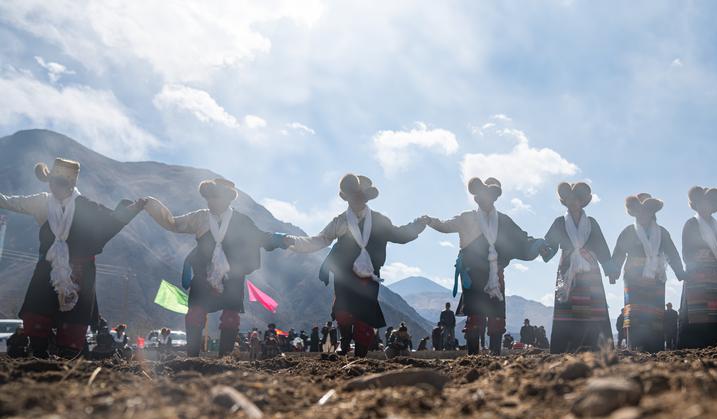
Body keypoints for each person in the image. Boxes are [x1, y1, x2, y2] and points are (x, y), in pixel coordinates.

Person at [0, 158, 144, 358]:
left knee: (73, 327)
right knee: (38, 316)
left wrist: (130, 211)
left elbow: (109, 223)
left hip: (80, 272)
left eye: (61, 183)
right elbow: (9, 201)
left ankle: (67, 361)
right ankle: (38, 355)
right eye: (53, 182)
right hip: (47, 270)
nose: (55, 187)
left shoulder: (85, 206)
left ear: (70, 185)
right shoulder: (41, 201)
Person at [143, 178, 292, 357]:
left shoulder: (241, 221)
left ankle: (225, 358)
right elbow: (173, 223)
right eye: (208, 198)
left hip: (233, 275)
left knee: (230, 317)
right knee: (195, 314)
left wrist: (278, 238)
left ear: (228, 199)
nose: (211, 202)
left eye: (215, 198)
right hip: (203, 274)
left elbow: (259, 237)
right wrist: (153, 206)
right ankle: (193, 357)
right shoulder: (200, 217)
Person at [288, 174, 426, 358]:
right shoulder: (340, 221)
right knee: (343, 313)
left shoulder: (379, 221)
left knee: (364, 319)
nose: (356, 201)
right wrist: (291, 242)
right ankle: (345, 341)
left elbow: (400, 235)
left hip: (368, 276)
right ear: (347, 198)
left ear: (366, 198)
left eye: (359, 196)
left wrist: (418, 224)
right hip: (344, 276)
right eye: (352, 197)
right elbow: (320, 240)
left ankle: (359, 358)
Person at [425, 177, 546, 355]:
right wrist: (430, 221)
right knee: (475, 314)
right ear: (477, 199)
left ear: (494, 199)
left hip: (495, 274)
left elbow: (522, 237)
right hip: (473, 274)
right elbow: (445, 225)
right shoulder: (467, 218)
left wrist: (538, 245)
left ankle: (495, 354)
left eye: (489, 197)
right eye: (482, 196)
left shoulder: (504, 221)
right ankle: (473, 356)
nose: (486, 200)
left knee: (496, 314)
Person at [541, 182, 614, 353]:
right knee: (566, 306)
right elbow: (550, 244)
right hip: (567, 269)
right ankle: (565, 348)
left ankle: (596, 347)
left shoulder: (592, 223)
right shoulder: (559, 222)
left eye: (577, 199)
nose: (573, 202)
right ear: (565, 201)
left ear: (582, 201)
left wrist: (610, 270)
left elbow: (602, 247)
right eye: (570, 199)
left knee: (592, 307)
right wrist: (544, 250)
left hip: (590, 268)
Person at [608, 193, 685, 353]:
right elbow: (619, 252)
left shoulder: (662, 233)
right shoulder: (628, 232)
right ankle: (635, 345)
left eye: (647, 211)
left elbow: (672, 252)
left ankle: (655, 345)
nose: (643, 214)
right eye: (640, 211)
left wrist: (679, 271)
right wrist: (613, 271)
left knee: (654, 312)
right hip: (633, 277)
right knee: (635, 311)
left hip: (656, 277)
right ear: (634, 212)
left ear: (652, 212)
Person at [677, 187, 717, 348]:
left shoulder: (716, 226)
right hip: (697, 274)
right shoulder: (690, 224)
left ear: (713, 206)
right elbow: (686, 250)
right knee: (697, 311)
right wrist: (696, 259)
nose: (705, 207)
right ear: (695, 205)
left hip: (716, 273)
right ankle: (694, 345)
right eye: (701, 204)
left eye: (708, 204)